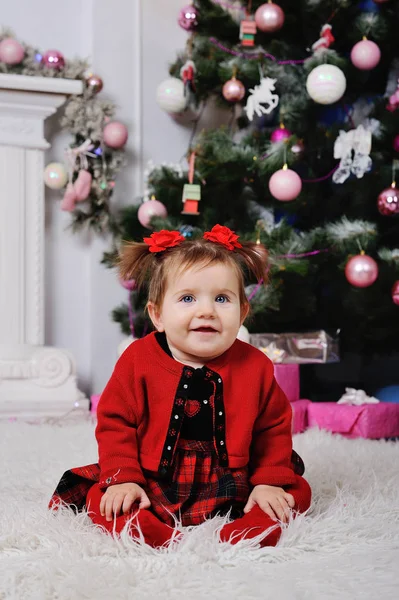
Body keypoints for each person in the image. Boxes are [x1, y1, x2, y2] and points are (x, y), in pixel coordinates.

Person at [49, 224, 311, 548]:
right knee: (105, 497)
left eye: (222, 298)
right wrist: (125, 478)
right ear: (157, 314)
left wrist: (268, 482)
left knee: (293, 489)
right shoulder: (137, 360)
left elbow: (272, 427)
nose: (206, 311)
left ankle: (249, 528)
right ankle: (146, 530)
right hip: (155, 477)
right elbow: (116, 421)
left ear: (243, 312)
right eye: (187, 298)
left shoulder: (255, 365)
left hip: (230, 477)